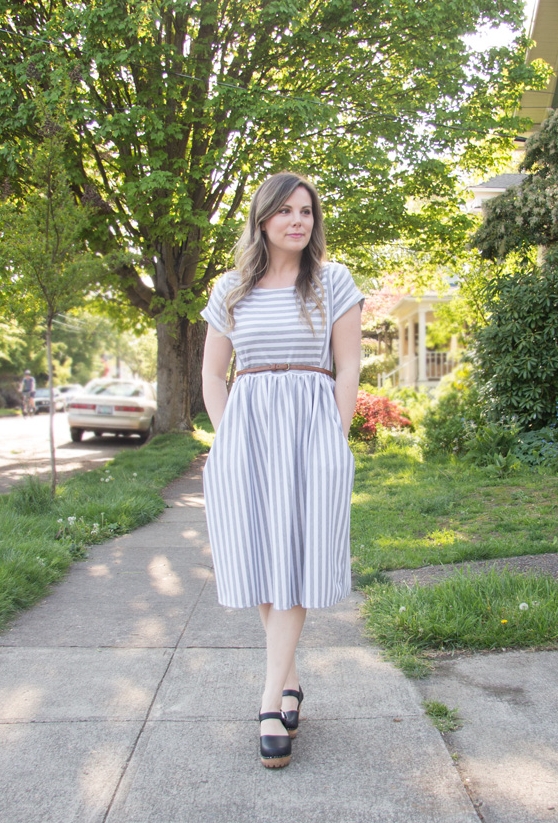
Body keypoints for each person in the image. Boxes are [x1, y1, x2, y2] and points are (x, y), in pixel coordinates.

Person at [201, 172, 363, 769]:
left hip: (311, 430)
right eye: (286, 211)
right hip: (247, 433)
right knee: (263, 558)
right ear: (263, 219)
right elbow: (212, 374)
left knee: (294, 559)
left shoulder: (332, 281)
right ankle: (289, 681)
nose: (298, 220)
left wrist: (334, 437)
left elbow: (348, 367)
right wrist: (228, 438)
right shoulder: (231, 288)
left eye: (307, 211)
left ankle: (270, 701)